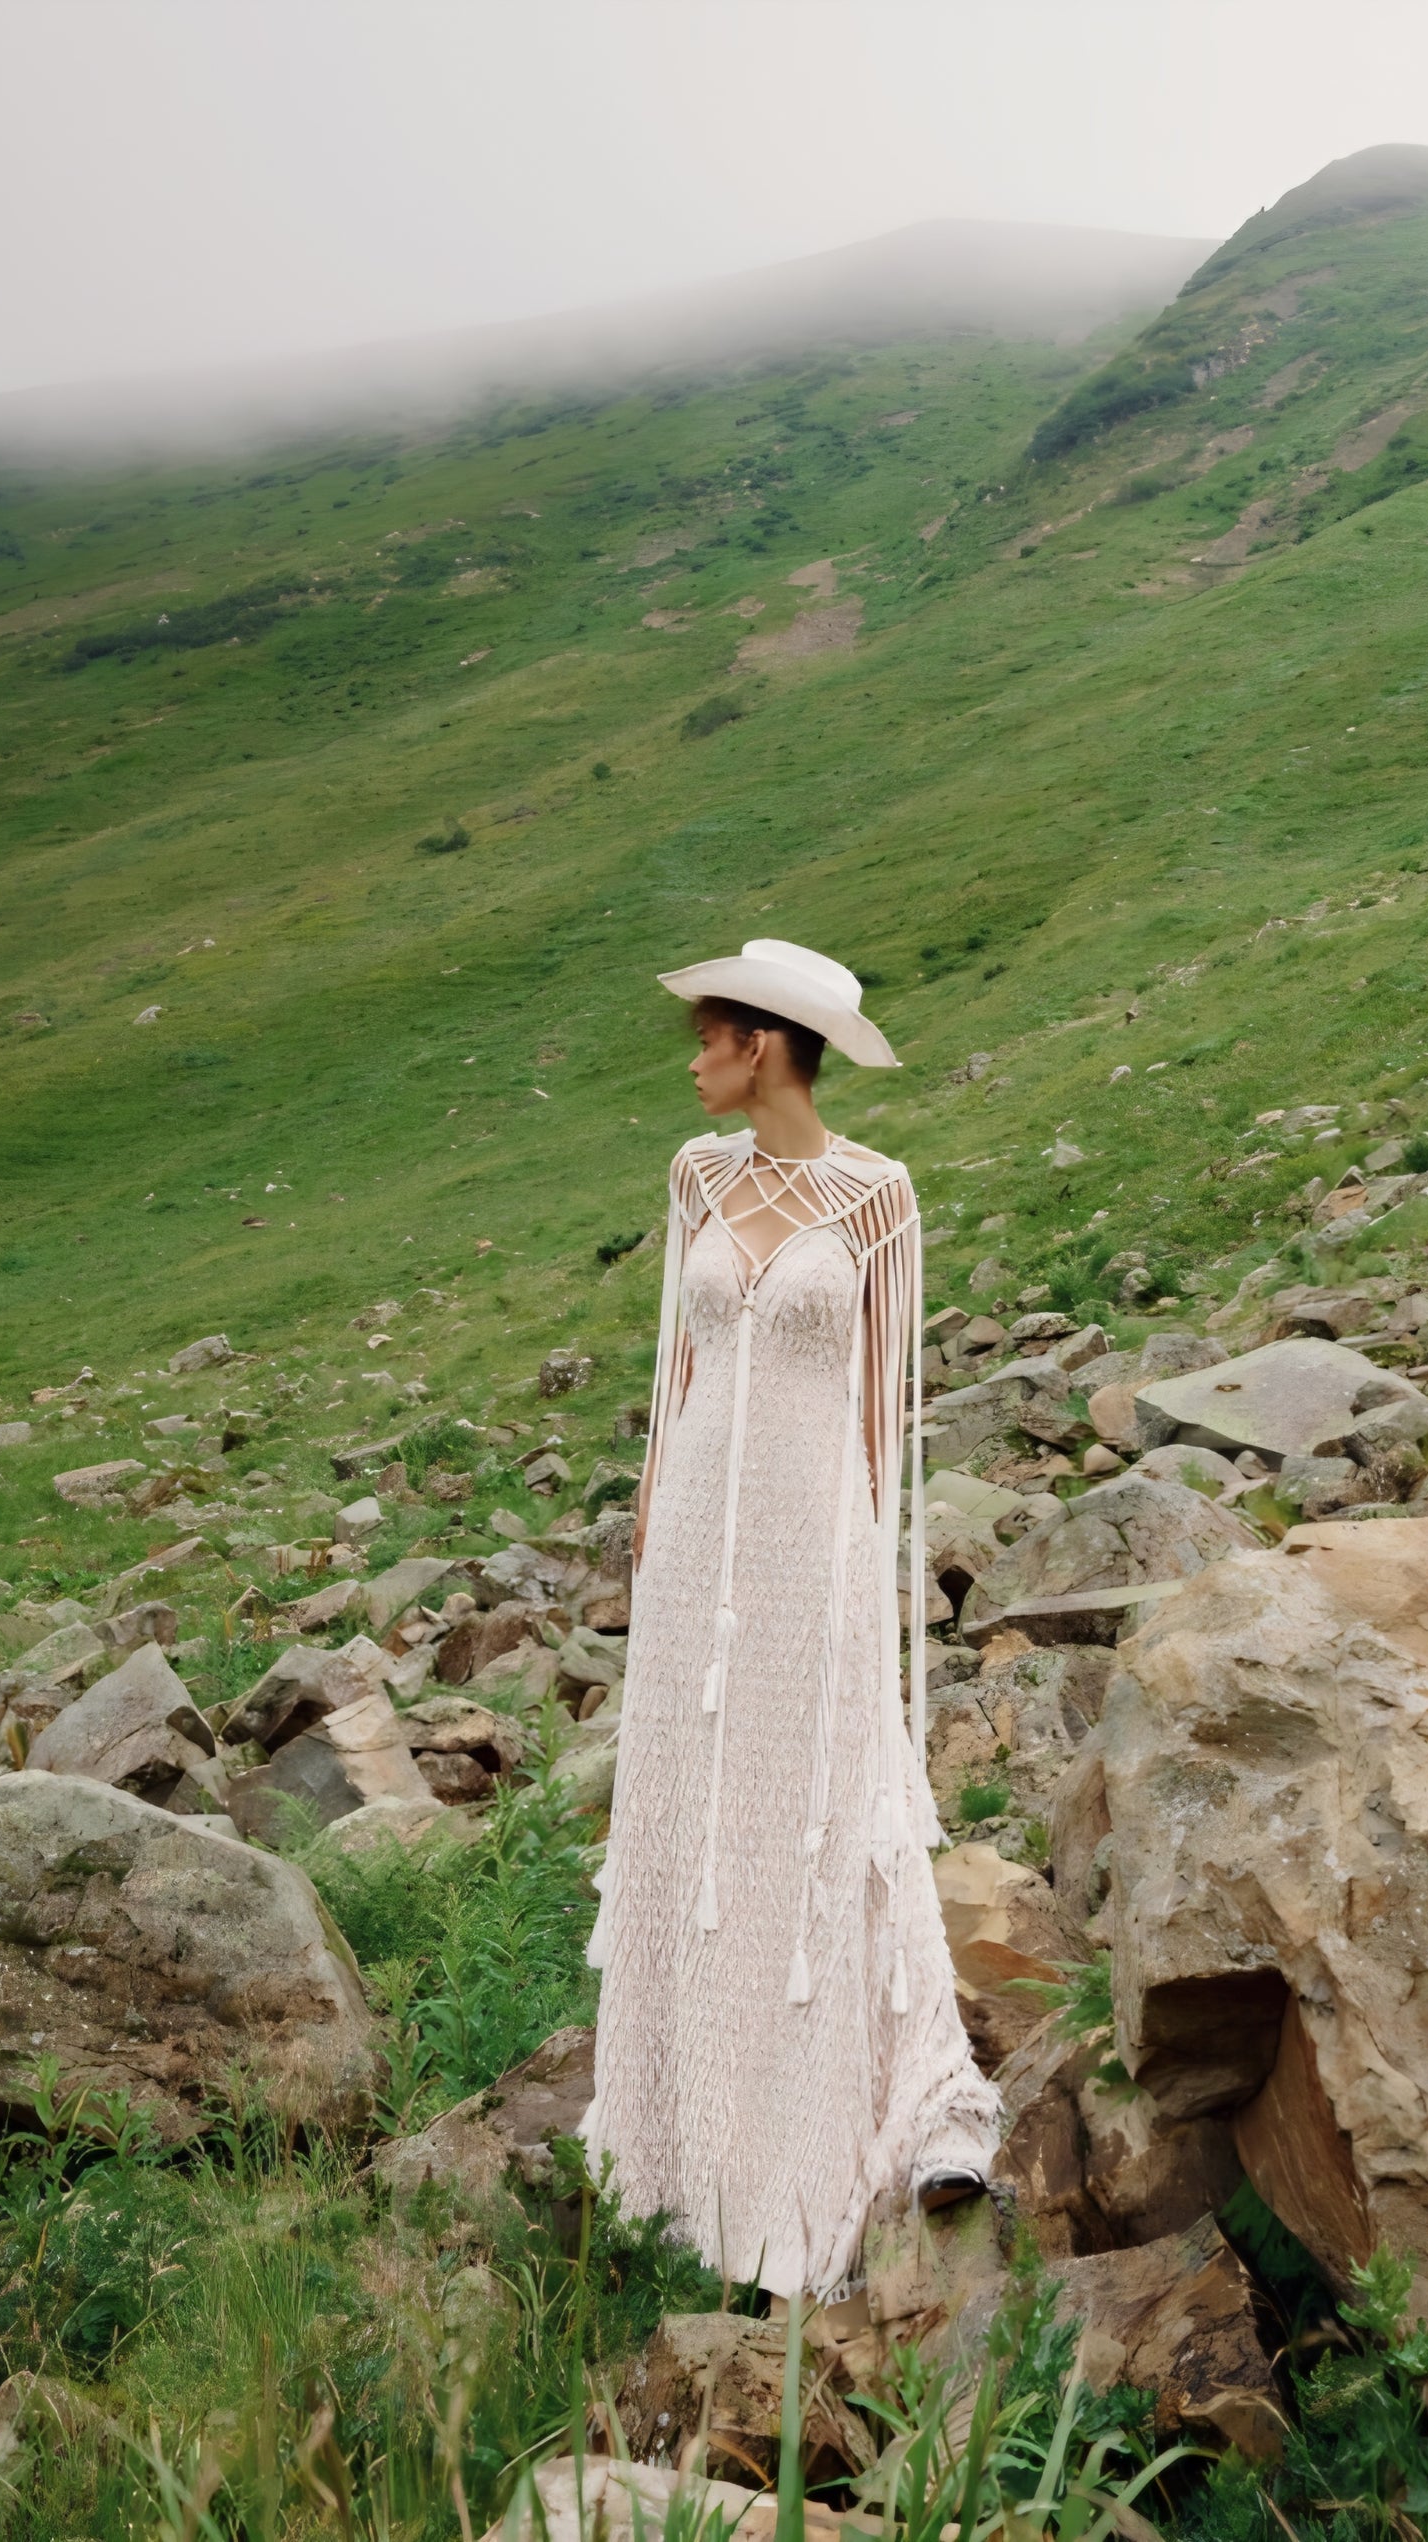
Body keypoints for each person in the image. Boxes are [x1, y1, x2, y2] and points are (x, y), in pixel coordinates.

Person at [576, 936, 1000, 2299]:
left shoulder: (879, 1199)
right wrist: (652, 1540)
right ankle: (675, 2144)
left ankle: (829, 2133)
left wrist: (865, 1588)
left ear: (760, 1044)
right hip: (698, 1545)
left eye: (706, 1034)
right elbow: (673, 1374)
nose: (692, 1057)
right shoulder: (696, 1177)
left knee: (815, 1815)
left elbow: (886, 1423)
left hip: (812, 1550)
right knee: (697, 1811)